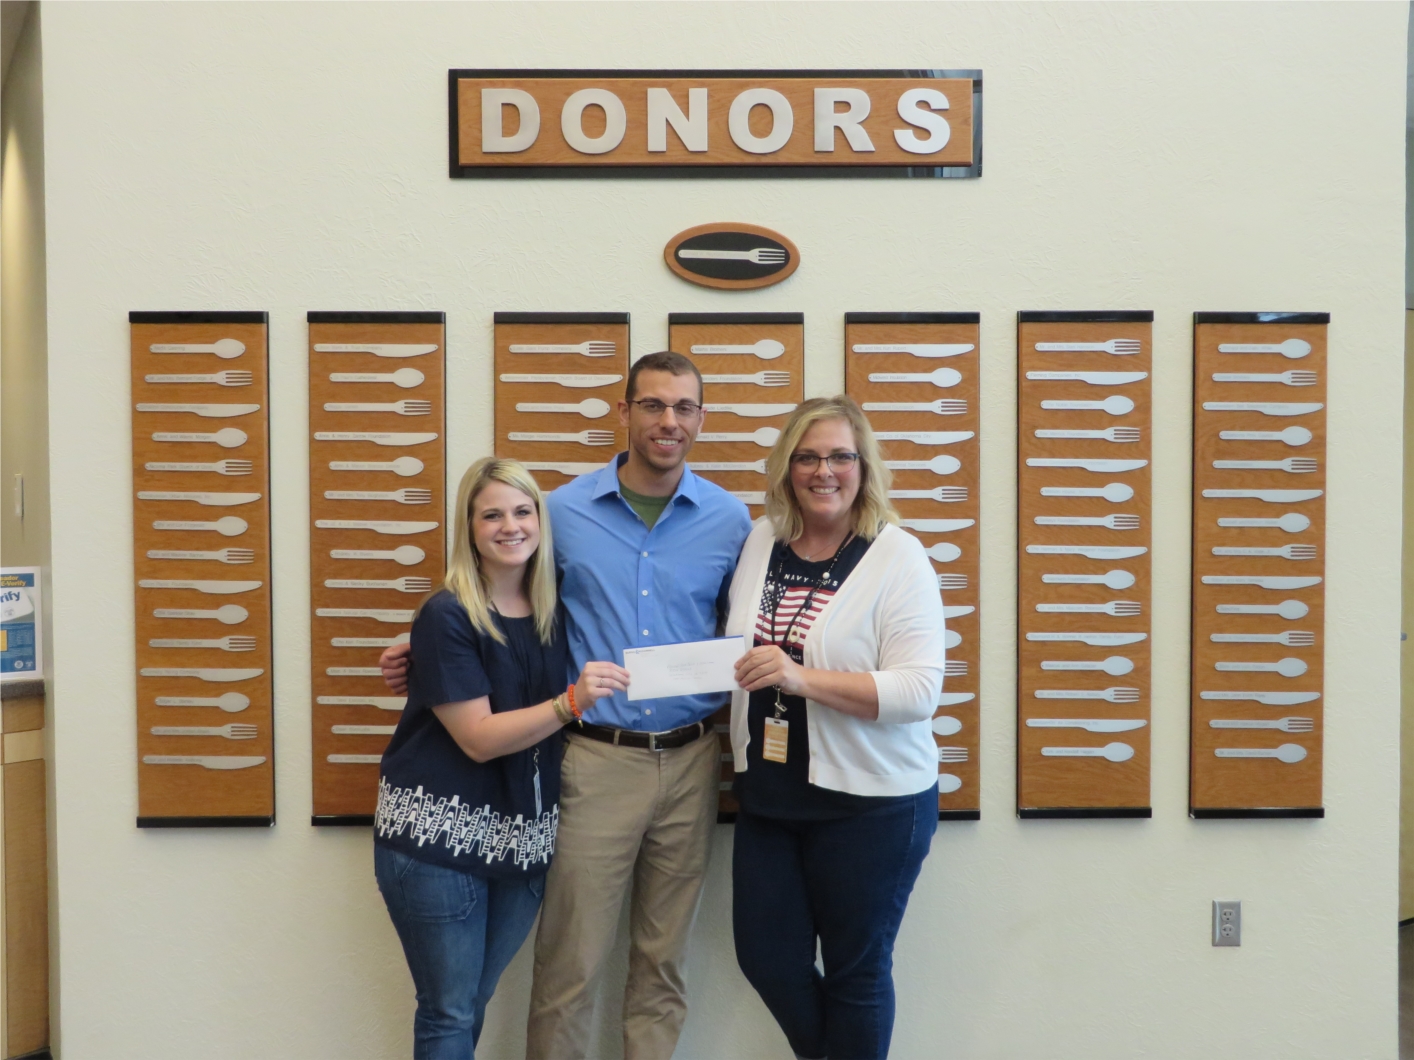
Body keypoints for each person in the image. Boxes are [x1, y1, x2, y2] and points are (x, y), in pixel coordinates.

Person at [381, 351, 752, 1060]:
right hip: (594, 760)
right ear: (624, 413)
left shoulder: (730, 520)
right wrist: (422, 644)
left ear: (701, 419)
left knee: (662, 962)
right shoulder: (561, 513)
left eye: (683, 407)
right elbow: (496, 588)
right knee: (570, 964)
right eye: (651, 405)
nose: (667, 421)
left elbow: (755, 618)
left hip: (696, 760)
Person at [372, 457, 629, 1060]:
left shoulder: (553, 611)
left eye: (522, 511)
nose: (510, 526)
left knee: (468, 1005)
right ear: (469, 527)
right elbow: (479, 737)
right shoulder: (447, 613)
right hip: (439, 841)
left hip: (521, 842)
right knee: (449, 1012)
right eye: (492, 514)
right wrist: (571, 702)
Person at [724, 396, 947, 1060]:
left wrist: (797, 678)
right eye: (809, 457)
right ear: (787, 467)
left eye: (841, 456)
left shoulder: (898, 557)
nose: (826, 471)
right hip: (769, 796)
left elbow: (918, 690)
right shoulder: (763, 539)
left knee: (856, 973)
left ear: (864, 466)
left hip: (871, 805)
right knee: (767, 959)